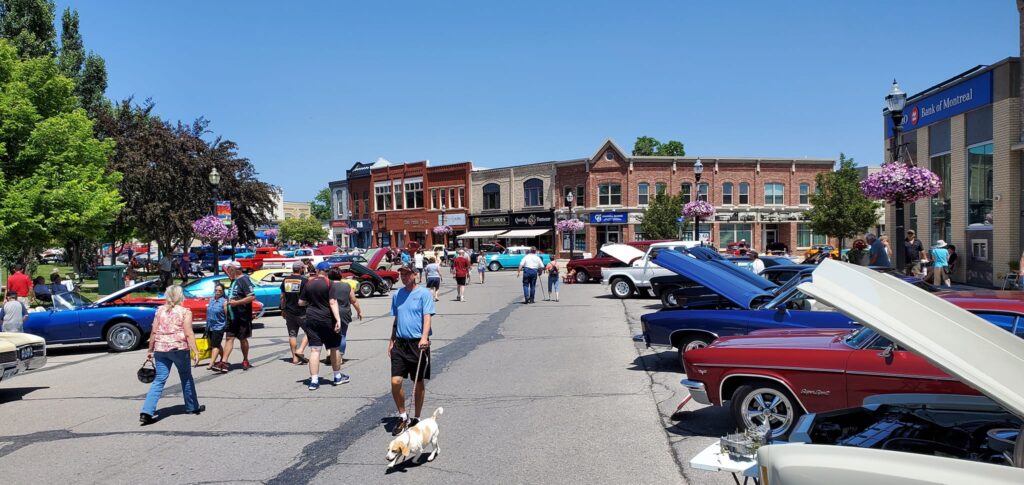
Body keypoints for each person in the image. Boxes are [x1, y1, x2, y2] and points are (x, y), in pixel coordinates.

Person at [140, 285, 204, 425]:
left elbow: (154, 332)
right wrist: (195, 351)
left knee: (159, 380)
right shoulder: (185, 311)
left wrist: (150, 351)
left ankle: (147, 411)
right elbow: (188, 333)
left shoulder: (159, 311)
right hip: (179, 348)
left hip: (161, 349)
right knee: (186, 376)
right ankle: (192, 406)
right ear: (180, 296)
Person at [388, 263, 435, 436]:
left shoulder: (424, 294)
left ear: (415, 274)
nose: (404, 277)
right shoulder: (397, 294)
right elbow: (397, 319)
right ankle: (402, 415)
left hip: (417, 343)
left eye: (407, 274)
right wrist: (391, 340)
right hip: (400, 343)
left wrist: (424, 337)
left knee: (418, 382)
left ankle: (416, 417)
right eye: (402, 274)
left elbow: (427, 316)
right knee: (395, 381)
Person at [299, 262, 344, 390]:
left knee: (315, 350)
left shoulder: (309, 283)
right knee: (334, 348)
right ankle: (337, 376)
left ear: (318, 270)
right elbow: (333, 302)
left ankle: (314, 380)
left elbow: (301, 302)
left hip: (312, 318)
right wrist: (338, 320)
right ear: (328, 271)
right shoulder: (329, 283)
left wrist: (312, 302)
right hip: (327, 319)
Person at [328, 266, 363, 373]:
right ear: (340, 275)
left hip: (329, 313)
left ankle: (331, 354)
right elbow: (353, 300)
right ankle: (340, 356)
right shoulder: (347, 286)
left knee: (330, 334)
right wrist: (359, 311)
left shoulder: (327, 286)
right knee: (342, 335)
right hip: (343, 313)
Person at [221, 262, 255, 371]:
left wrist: (237, 303)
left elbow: (251, 297)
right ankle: (224, 362)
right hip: (231, 316)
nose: (228, 272)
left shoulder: (244, 280)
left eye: (230, 269)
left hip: (242, 316)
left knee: (242, 339)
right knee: (229, 338)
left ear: (235, 269)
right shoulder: (233, 280)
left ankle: (245, 359)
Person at [281, 262, 310, 365]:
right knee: (310, 331)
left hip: (289, 311)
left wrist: (283, 309)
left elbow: (282, 296)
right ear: (301, 269)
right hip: (302, 311)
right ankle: (299, 351)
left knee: (292, 334)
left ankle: (295, 358)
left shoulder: (286, 280)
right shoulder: (305, 281)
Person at [205, 284, 228, 372]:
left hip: (219, 326)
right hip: (210, 326)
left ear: (223, 292)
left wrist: (226, 326)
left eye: (220, 291)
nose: (218, 292)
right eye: (216, 290)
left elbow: (227, 315)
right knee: (216, 344)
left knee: (215, 345)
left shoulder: (224, 302)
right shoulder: (211, 300)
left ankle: (211, 363)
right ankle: (223, 358)